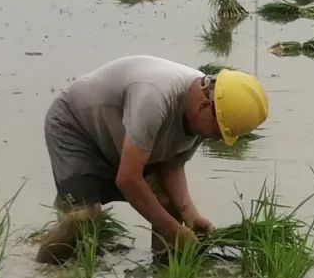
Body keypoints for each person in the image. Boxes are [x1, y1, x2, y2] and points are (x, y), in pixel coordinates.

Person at [36, 56, 269, 264]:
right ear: (204, 107)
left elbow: (172, 165)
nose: (217, 138)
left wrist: (190, 214)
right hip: (78, 128)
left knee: (170, 205)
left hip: (123, 138)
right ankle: (43, 272)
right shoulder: (155, 98)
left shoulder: (206, 111)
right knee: (83, 219)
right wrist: (172, 232)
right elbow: (128, 179)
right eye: (219, 131)